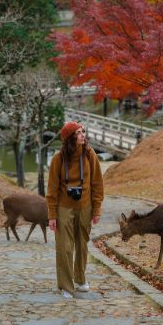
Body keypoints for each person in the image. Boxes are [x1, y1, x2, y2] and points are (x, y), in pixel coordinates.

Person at [46, 121, 104, 299]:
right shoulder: (58, 158)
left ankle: (80, 279)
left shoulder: (89, 154)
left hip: (85, 206)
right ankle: (65, 286)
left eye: (83, 131)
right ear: (70, 138)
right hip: (64, 207)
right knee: (64, 247)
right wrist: (52, 215)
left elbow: (97, 183)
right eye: (78, 133)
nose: (82, 135)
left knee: (82, 244)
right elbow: (52, 190)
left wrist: (96, 209)